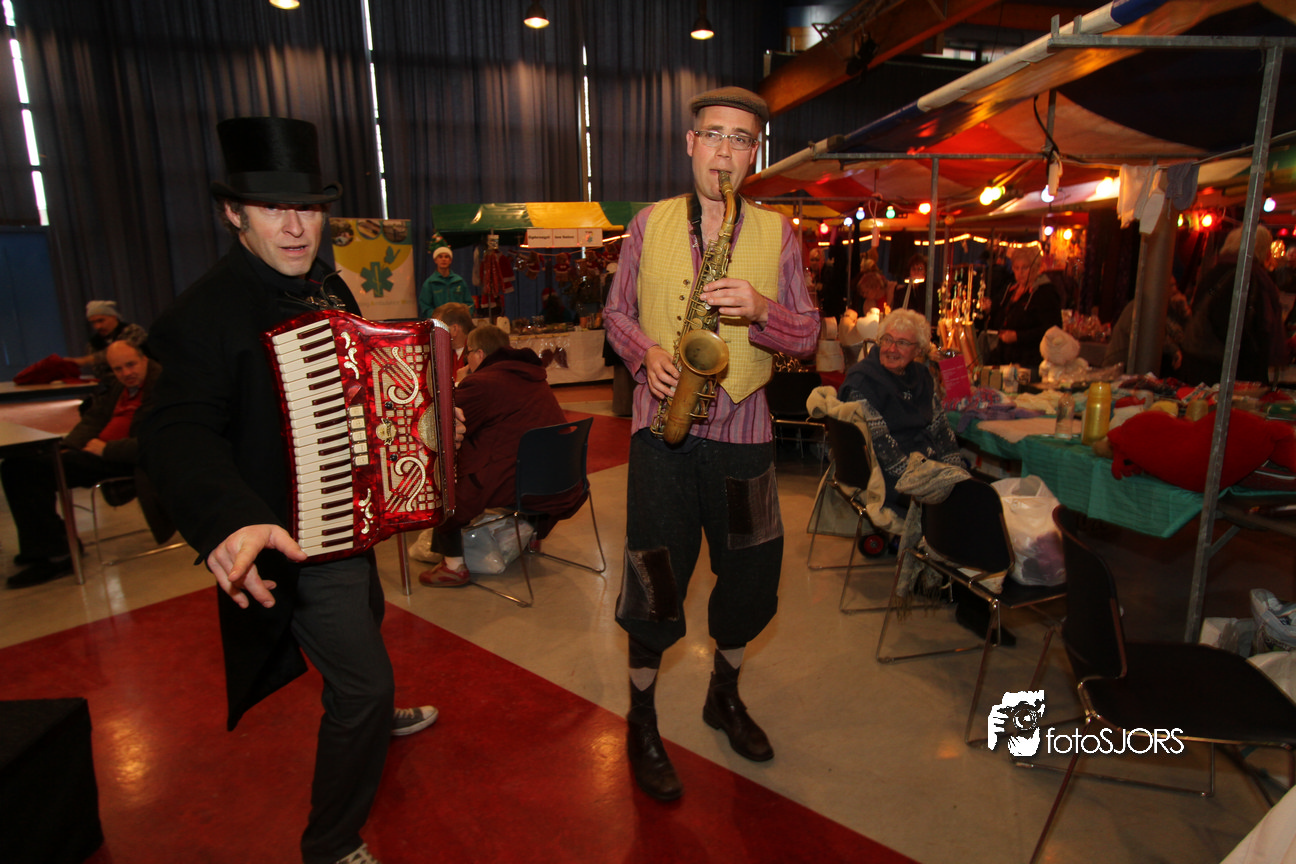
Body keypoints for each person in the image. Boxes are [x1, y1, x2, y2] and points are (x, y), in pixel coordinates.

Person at [140, 117, 455, 864]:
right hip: (290, 535)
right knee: (363, 683)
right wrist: (227, 520)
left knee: (369, 621)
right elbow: (174, 435)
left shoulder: (329, 284)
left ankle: (372, 710)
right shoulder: (200, 315)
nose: (294, 227)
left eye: (308, 208)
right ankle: (331, 843)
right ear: (233, 213)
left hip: (353, 513)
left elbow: (364, 385)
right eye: (272, 209)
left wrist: (433, 414)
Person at [603, 86, 819, 802]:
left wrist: (762, 310)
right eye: (715, 135)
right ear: (690, 142)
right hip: (660, 441)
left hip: (744, 436)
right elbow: (615, 312)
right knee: (654, 579)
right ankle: (640, 720)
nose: (726, 151)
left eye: (741, 139)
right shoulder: (647, 223)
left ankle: (723, 696)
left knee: (751, 576)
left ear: (754, 152)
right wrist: (645, 354)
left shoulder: (778, 233)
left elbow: (808, 334)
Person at [417, 324, 581, 587]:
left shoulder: (483, 382)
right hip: (560, 478)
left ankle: (453, 565)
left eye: (468, 353)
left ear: (480, 355)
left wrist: (459, 382)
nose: (465, 359)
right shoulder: (533, 376)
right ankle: (529, 536)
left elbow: (442, 421)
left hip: (519, 483)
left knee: (443, 488)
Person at [3, 340, 164, 588]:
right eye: (118, 369)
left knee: (27, 472)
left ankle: (57, 554)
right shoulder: (118, 386)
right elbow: (94, 419)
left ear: (144, 359)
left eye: (131, 365)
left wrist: (106, 449)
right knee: (16, 464)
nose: (126, 373)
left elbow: (159, 442)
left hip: (128, 459)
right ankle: (49, 543)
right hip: (98, 450)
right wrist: (69, 445)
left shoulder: (163, 386)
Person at [837, 309, 963, 515]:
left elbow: (940, 428)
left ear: (918, 350)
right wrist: (927, 482)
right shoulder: (862, 381)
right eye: (887, 340)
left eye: (902, 343)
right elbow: (882, 448)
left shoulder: (921, 376)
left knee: (974, 496)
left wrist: (955, 472)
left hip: (927, 466)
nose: (892, 349)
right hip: (890, 477)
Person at [1181, 224, 1288, 386]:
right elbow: (1232, 323)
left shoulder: (1216, 271)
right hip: (1228, 368)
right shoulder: (1248, 277)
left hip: (1200, 361)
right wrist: (1253, 352)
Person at [985, 247, 1062, 374]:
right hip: (1004, 359)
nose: (1020, 272)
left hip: (1030, 362)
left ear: (1035, 268)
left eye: (1025, 268)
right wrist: (989, 309)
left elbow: (1052, 329)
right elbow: (999, 317)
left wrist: (1018, 336)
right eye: (1016, 268)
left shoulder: (1045, 292)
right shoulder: (1010, 290)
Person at [418, 244, 472, 318]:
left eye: (446, 257)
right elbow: (425, 306)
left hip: (458, 321)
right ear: (435, 260)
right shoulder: (430, 283)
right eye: (440, 257)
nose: (443, 259)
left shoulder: (459, 281)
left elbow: (469, 304)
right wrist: (438, 317)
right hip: (439, 322)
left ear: (450, 260)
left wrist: (464, 316)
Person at [430, 301, 475, 381]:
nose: (434, 334)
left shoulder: (477, 354)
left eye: (438, 329)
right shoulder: (440, 354)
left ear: (454, 329)